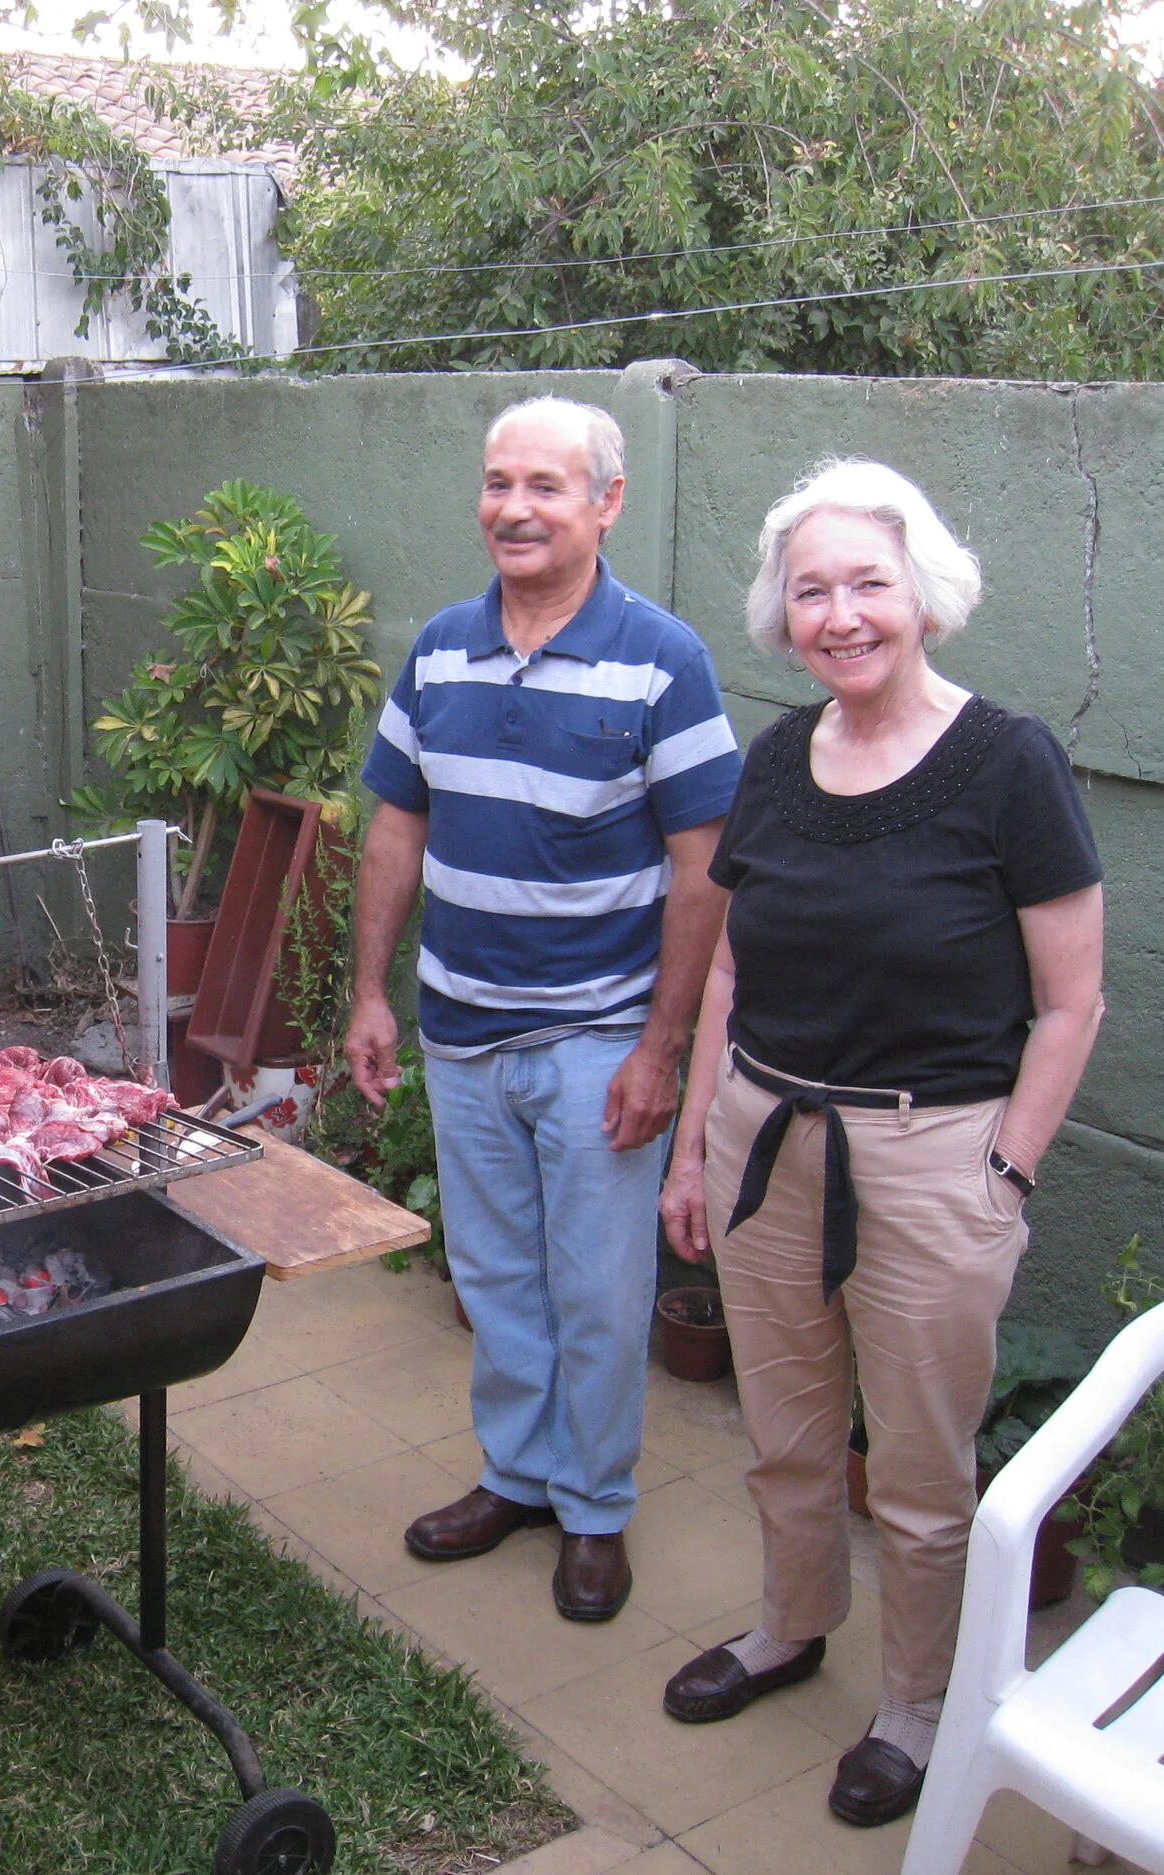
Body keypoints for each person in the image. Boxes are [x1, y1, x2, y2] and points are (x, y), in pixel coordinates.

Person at [655, 460, 1105, 1828]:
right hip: (763, 1136)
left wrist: (1004, 1173)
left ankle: (918, 1700)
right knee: (785, 1429)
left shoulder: (1008, 762)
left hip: (931, 1158)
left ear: (924, 594)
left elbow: (1073, 1000)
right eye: (812, 590)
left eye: (868, 582)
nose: (840, 614)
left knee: (917, 1467)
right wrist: (691, 1151)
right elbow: (728, 974)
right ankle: (792, 1624)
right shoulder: (779, 758)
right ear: (783, 615)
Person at [345, 397, 742, 1622]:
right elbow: (396, 826)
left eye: (546, 487)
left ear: (605, 504)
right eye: (497, 482)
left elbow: (701, 870)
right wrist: (368, 991)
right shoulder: (440, 650)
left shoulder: (662, 660)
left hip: (596, 1042)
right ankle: (516, 1476)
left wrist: (660, 1052)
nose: (513, 508)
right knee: (497, 1275)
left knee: (599, 1290)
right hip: (461, 1031)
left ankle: (595, 1510)